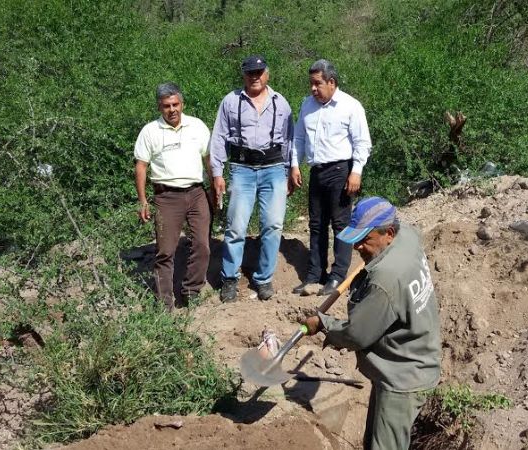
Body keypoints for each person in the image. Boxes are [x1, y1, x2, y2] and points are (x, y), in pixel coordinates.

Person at [302, 197, 442, 450]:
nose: (357, 246)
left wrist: (323, 323)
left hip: (403, 377)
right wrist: (372, 257)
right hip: (412, 358)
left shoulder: (385, 279)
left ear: (388, 233)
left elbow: (356, 334)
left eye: (365, 239)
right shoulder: (407, 236)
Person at [210, 55, 293, 302]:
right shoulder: (231, 101)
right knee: (235, 227)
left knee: (273, 225)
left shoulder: (281, 103)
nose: (254, 77)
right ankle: (230, 278)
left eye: (259, 72)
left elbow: (289, 140)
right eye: (250, 72)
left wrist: (290, 172)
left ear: (267, 74)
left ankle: (263, 279)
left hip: (274, 168)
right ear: (244, 75)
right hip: (242, 168)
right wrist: (217, 173)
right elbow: (218, 138)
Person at [290, 59, 372, 296]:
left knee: (341, 225)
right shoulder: (307, 105)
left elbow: (362, 142)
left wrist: (356, 171)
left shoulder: (350, 106)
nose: (313, 89)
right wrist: (295, 165)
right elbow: (298, 139)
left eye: (317, 84)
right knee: (316, 225)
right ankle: (315, 275)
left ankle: (337, 276)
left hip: (340, 171)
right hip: (317, 171)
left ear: (331, 82)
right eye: (311, 84)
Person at [134, 82, 212, 311]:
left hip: (197, 192)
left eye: (175, 104)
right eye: (166, 106)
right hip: (166, 197)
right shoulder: (150, 131)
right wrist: (143, 200)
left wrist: (216, 183)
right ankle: (164, 304)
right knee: (165, 251)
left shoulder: (197, 126)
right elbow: (141, 166)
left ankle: (191, 290)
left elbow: (208, 158)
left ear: (182, 103)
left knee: (202, 245)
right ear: (160, 107)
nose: (172, 110)